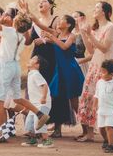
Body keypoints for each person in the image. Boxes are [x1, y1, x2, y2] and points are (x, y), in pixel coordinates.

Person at [0, 0, 50, 143]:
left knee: (0, 99)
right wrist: (24, 12)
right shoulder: (22, 36)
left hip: (6, 65)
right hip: (16, 66)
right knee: (17, 97)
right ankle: (40, 114)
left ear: (15, 22)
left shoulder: (9, 32)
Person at [27, 9, 84, 138]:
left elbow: (64, 47)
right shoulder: (56, 34)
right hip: (59, 71)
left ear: (68, 24)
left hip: (70, 70)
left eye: (62, 20)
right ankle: (50, 125)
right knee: (53, 96)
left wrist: (51, 38)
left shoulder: (72, 35)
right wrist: (28, 12)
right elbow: (41, 26)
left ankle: (86, 127)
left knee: (74, 100)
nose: (59, 21)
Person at [76, 1, 113, 143]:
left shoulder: (111, 27)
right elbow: (91, 50)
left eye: (97, 7)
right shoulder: (95, 28)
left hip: (109, 64)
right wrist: (83, 33)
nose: (94, 9)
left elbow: (104, 48)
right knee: (90, 95)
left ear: (104, 11)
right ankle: (90, 133)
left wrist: (89, 34)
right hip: (96, 64)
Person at [21, 55, 54, 148]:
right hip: (34, 105)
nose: (30, 59)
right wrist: (27, 105)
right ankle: (33, 139)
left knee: (39, 121)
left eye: (33, 59)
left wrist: (43, 97)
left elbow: (44, 85)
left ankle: (46, 140)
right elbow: (32, 92)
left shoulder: (36, 74)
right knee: (29, 122)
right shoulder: (31, 74)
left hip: (42, 104)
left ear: (37, 65)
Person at [94, 60, 113, 154]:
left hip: (111, 110)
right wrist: (95, 105)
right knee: (101, 128)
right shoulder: (99, 82)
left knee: (109, 127)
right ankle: (106, 140)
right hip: (101, 110)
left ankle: (111, 145)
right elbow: (97, 95)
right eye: (101, 71)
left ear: (111, 74)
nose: (101, 73)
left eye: (103, 72)